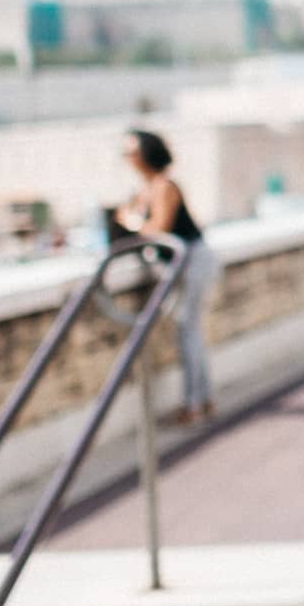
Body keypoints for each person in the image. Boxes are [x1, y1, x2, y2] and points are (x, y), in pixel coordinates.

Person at [117, 128, 220, 426]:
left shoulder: (164, 186)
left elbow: (158, 227)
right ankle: (204, 400)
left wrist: (132, 222)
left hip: (193, 260)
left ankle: (194, 405)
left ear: (147, 154)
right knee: (191, 331)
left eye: (132, 153)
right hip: (180, 262)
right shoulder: (144, 189)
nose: (128, 159)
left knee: (188, 331)